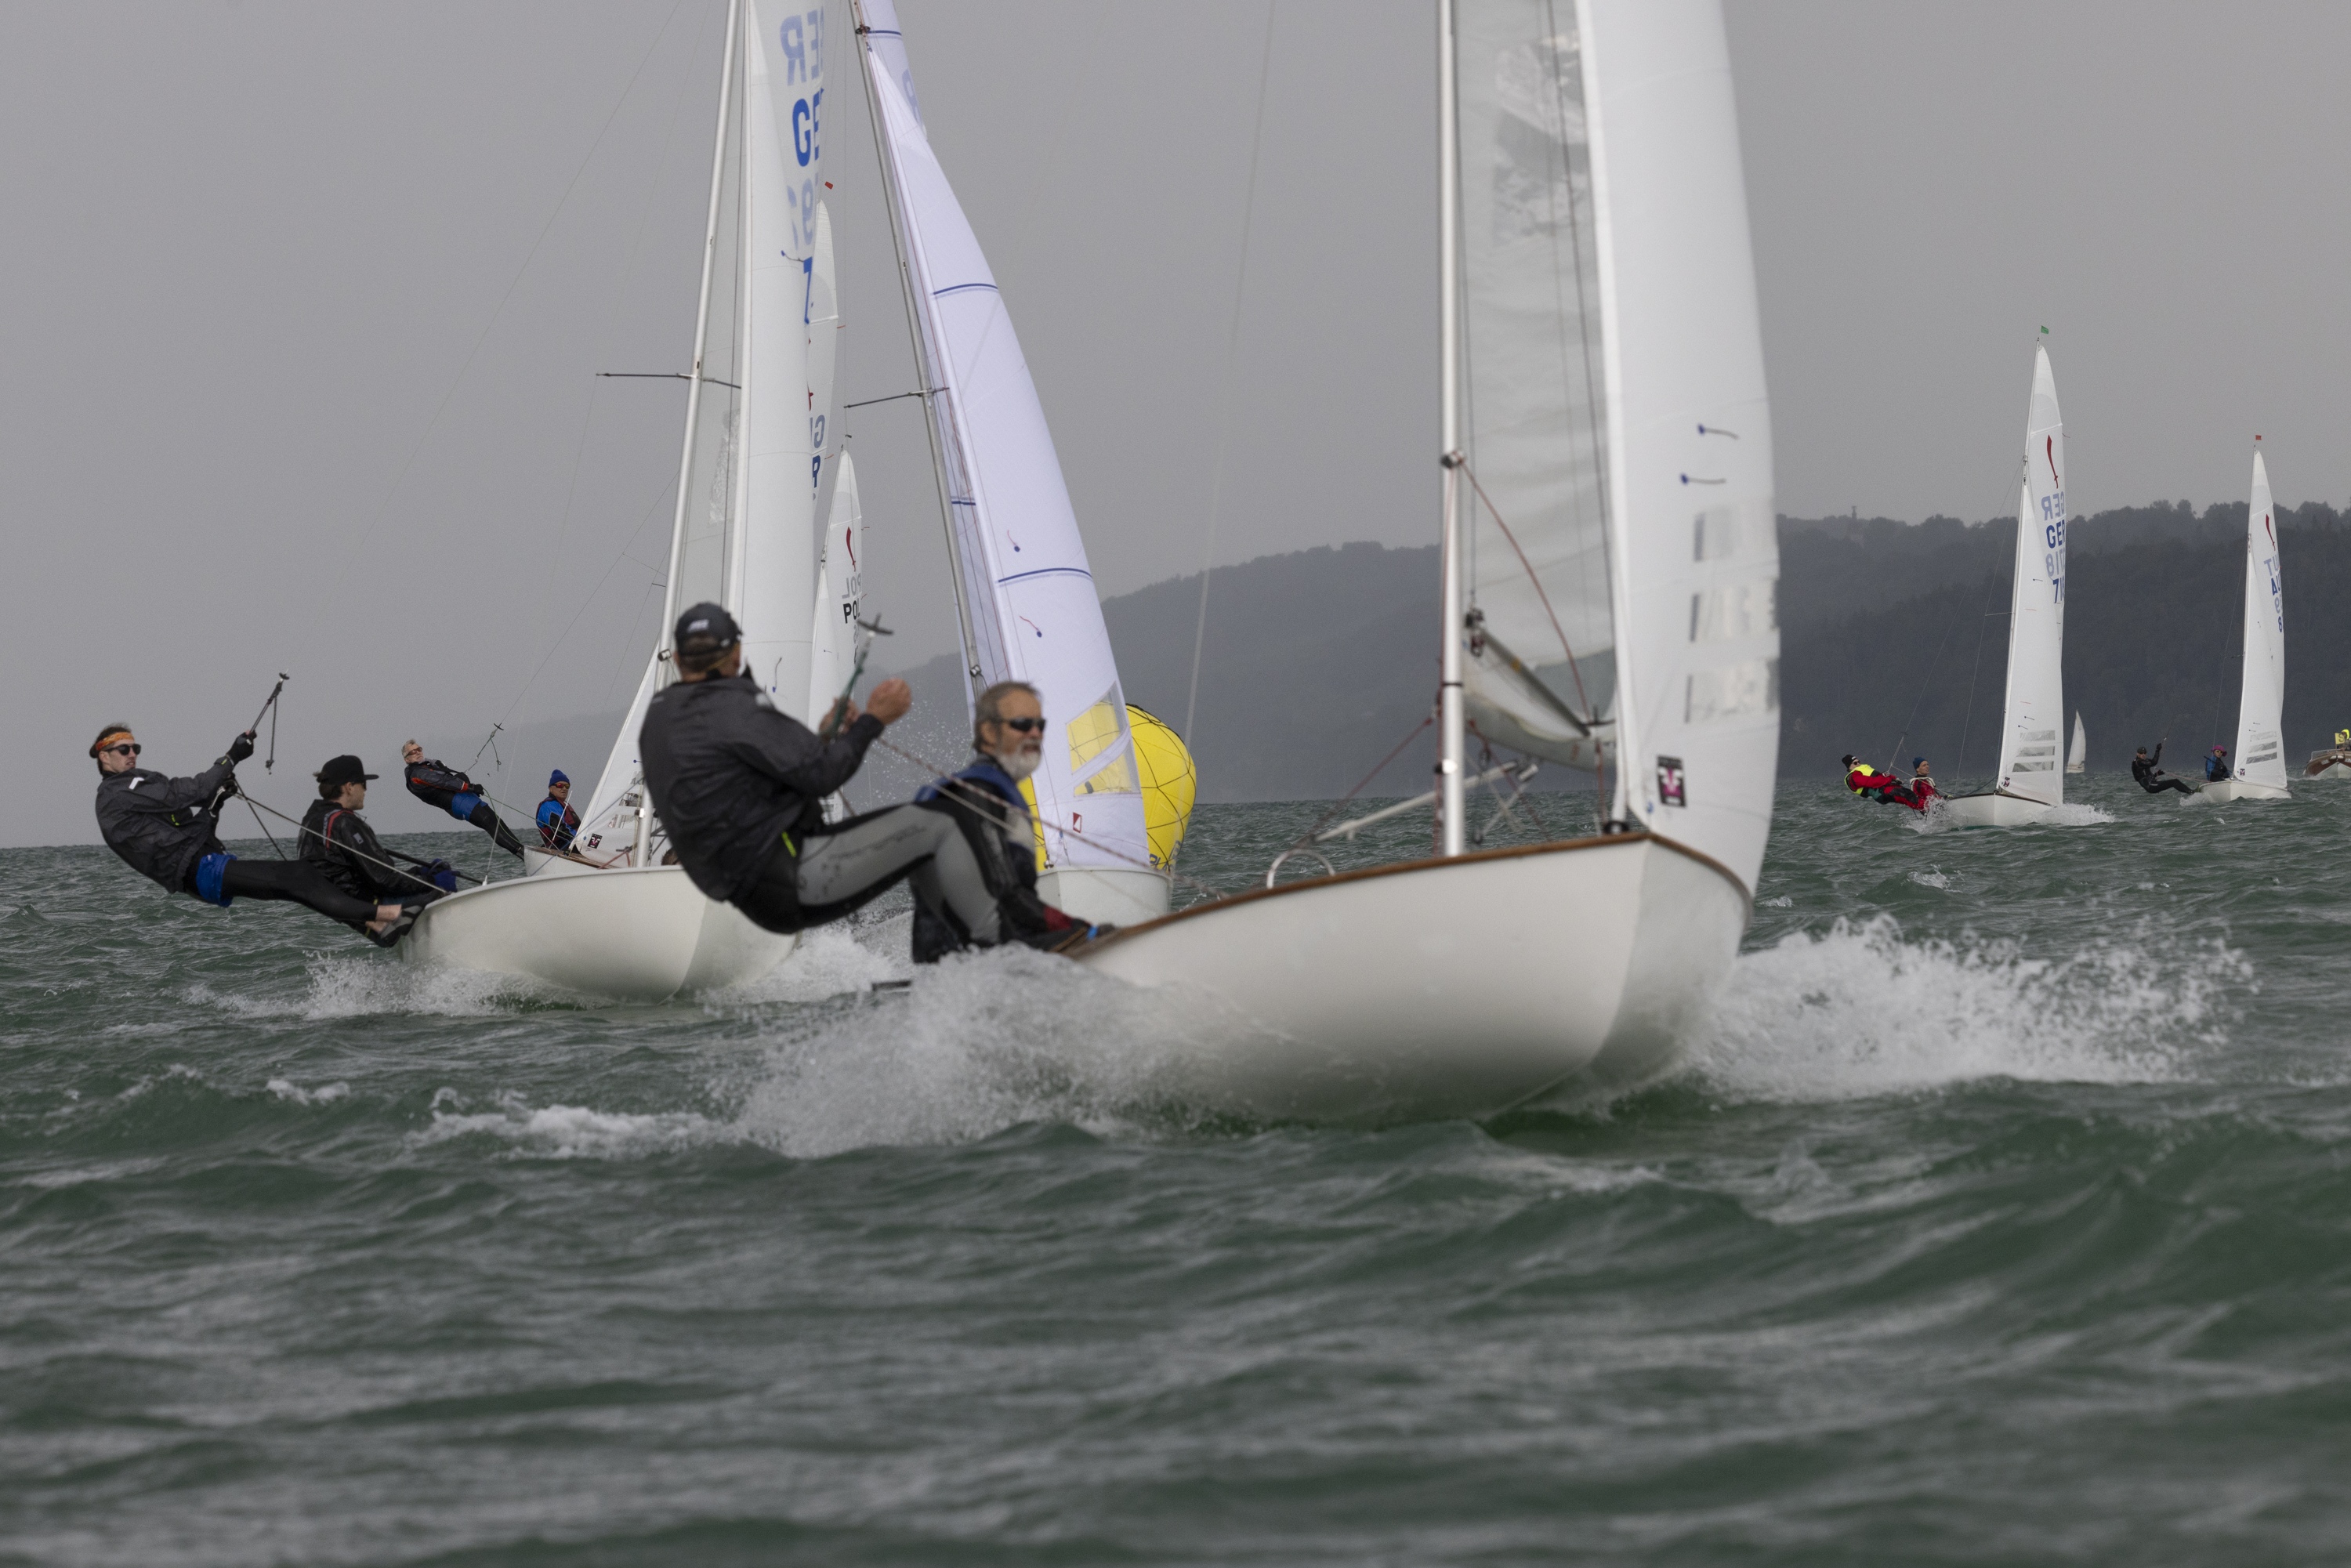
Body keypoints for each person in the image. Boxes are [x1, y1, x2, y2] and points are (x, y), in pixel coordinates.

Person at [638, 602, 1093, 955]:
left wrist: (826, 737)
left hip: (758, 893)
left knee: (924, 838)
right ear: (737, 653)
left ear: (677, 658)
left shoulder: (660, 719)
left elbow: (748, 785)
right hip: (795, 877)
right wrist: (874, 720)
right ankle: (1007, 944)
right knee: (946, 820)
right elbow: (822, 776)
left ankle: (947, 961)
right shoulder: (730, 706)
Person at [90, 723, 416, 946]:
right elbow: (192, 791)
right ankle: (389, 914)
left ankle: (375, 926)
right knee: (301, 876)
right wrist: (232, 756)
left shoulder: (128, 796)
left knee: (299, 883)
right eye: (123, 749)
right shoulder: (119, 791)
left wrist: (217, 803)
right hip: (200, 871)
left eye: (135, 748)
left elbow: (190, 832)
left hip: (201, 869)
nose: (132, 754)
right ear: (104, 756)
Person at [300, 755, 450, 919]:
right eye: (363, 784)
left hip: (343, 909)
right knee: (444, 889)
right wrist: (432, 881)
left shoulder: (312, 819)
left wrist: (418, 872)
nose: (365, 790)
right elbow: (384, 881)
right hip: (370, 909)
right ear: (349, 787)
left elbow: (368, 875)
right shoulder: (345, 822)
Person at [400, 741, 527, 857]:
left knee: (496, 821)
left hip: (465, 796)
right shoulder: (416, 773)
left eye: (419, 749)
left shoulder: (428, 766)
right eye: (413, 752)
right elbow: (442, 781)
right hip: (457, 802)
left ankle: (523, 850)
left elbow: (445, 779)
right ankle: (522, 853)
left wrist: (463, 782)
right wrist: (470, 787)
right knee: (489, 822)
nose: (417, 752)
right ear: (407, 759)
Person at [1842, 753, 1928, 812]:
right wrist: (1889, 780)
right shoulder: (1853, 777)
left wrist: (1894, 779)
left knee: (1910, 795)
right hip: (1882, 793)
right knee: (1907, 796)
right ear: (1849, 767)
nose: (1858, 764)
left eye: (1859, 762)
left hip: (1887, 789)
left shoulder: (1861, 771)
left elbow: (1880, 776)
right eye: (1855, 763)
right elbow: (1871, 782)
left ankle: (1928, 812)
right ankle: (1930, 808)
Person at [536, 770, 581, 851]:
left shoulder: (563, 805)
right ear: (551, 789)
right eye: (560, 785)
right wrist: (581, 840)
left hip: (577, 846)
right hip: (562, 848)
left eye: (567, 786)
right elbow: (559, 829)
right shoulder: (548, 806)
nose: (564, 789)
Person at [2132, 743, 2197, 796]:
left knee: (2175, 781)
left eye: (2144, 753)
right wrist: (2157, 750)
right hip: (2150, 786)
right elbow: (2154, 762)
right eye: (2141, 753)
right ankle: (2191, 792)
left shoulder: (2143, 762)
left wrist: (2156, 774)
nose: (2143, 755)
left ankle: (2191, 792)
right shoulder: (2138, 762)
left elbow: (2146, 775)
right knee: (2174, 782)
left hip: (2153, 783)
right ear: (2137, 754)